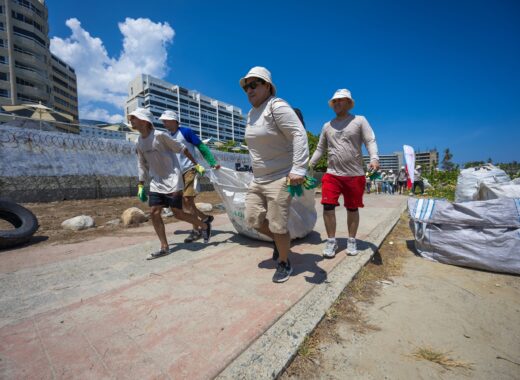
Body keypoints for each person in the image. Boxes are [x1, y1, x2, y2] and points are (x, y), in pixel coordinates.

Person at [240, 66, 309, 283]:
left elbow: (299, 133)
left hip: (280, 177)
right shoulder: (251, 114)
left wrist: (298, 169)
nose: (249, 90)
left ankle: (283, 261)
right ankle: (282, 244)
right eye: (246, 87)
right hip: (258, 179)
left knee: (278, 225)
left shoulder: (276, 106)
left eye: (254, 84)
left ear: (267, 86)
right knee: (252, 219)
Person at [129, 108, 212, 259]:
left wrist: (196, 165)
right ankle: (164, 247)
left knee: (178, 213)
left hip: (173, 179)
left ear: (144, 120)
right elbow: (141, 164)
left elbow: (182, 149)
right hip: (156, 182)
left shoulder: (160, 136)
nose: (131, 120)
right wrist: (141, 184)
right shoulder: (138, 141)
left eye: (134, 117)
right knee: (154, 212)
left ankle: (204, 225)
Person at [309, 89, 379, 258]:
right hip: (332, 174)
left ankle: (352, 240)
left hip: (355, 174)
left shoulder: (359, 120)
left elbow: (370, 140)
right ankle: (331, 241)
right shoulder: (327, 126)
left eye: (341, 100)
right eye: (335, 101)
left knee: (352, 208)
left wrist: (374, 158)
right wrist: (308, 165)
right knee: (327, 205)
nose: (337, 103)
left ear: (349, 103)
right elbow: (320, 149)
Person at [160, 110, 220, 243]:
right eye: (163, 120)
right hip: (176, 173)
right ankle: (204, 218)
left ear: (174, 120)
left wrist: (211, 162)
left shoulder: (186, 132)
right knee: (182, 204)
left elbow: (201, 146)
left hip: (190, 169)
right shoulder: (165, 136)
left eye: (166, 120)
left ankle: (196, 230)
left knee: (188, 200)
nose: (163, 123)